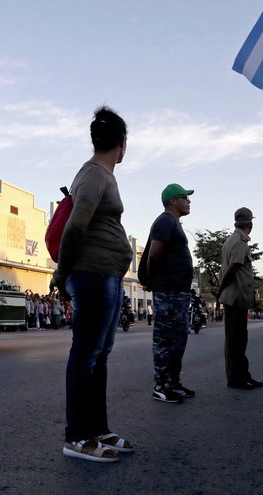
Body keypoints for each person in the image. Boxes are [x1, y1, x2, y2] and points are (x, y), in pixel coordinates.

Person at [53, 106, 134, 462]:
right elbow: (75, 227)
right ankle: (77, 437)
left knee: (99, 357)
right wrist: (61, 273)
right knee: (85, 356)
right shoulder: (93, 176)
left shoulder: (103, 175)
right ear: (122, 143)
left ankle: (98, 429)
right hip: (91, 275)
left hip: (108, 276)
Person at [147, 182, 197, 403]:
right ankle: (160, 385)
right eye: (185, 197)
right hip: (168, 292)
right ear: (172, 201)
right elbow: (154, 255)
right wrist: (155, 281)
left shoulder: (174, 223)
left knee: (179, 338)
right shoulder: (165, 221)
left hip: (179, 291)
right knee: (165, 339)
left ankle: (172, 382)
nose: (188, 201)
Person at [217, 207, 262, 389]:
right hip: (235, 297)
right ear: (250, 224)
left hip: (234, 296)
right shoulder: (240, 241)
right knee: (236, 341)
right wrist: (221, 289)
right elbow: (232, 268)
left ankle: (242, 374)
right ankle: (236, 379)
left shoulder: (230, 240)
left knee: (238, 339)